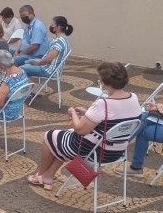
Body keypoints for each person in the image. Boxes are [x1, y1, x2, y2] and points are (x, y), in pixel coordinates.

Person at [28, 62, 141, 191]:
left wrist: (73, 114)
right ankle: (48, 176)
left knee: (49, 136)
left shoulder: (103, 103)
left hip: (95, 151)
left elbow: (80, 129)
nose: (99, 81)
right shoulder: (133, 98)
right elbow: (113, 119)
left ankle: (41, 174)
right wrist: (87, 113)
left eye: (100, 79)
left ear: (106, 83)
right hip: (117, 150)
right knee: (63, 137)